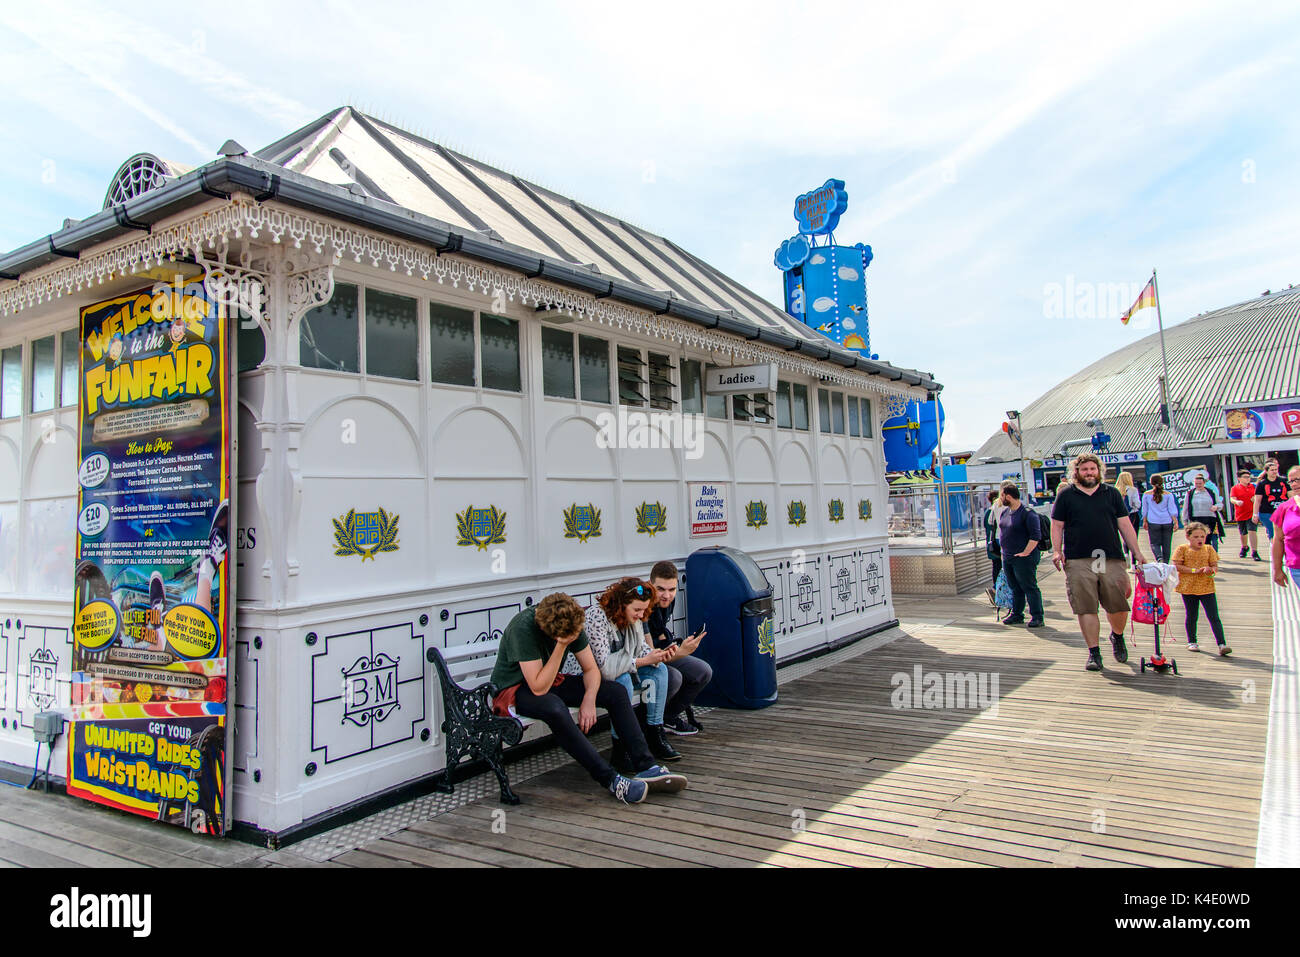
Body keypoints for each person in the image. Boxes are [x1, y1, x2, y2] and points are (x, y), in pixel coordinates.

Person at [489, 592, 686, 805]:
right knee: (555, 708)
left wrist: (589, 700)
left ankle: (645, 765)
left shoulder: (571, 620)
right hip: (514, 690)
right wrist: (562, 645)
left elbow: (591, 669)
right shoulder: (523, 628)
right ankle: (611, 780)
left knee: (615, 692)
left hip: (550, 679)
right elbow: (538, 688)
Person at [1051, 452, 1148, 671]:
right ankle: (1094, 652)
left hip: (1109, 556)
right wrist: (1057, 551)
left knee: (1118, 603)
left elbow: (1125, 525)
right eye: (1084, 469)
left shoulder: (1111, 494)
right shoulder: (1066, 495)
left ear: (1099, 471)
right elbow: (1057, 525)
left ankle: (1117, 635)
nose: (1089, 473)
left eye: (1092, 469)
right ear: (1076, 472)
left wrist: (1138, 553)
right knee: (1086, 607)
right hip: (1078, 558)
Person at [577, 577, 681, 766]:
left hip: (622, 668)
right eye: (637, 610)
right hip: (589, 678)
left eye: (644, 610)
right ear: (621, 604)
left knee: (659, 671)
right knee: (622, 680)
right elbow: (605, 667)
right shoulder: (596, 617)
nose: (641, 615)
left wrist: (658, 655)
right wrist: (644, 660)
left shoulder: (634, 616)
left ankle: (655, 733)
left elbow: (640, 648)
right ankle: (621, 747)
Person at [646, 561, 713, 736]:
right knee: (674, 677)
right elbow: (650, 657)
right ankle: (651, 726)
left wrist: (676, 647)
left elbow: (660, 635)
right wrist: (682, 651)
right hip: (642, 661)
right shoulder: (643, 606)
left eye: (672, 589)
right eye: (660, 589)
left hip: (659, 653)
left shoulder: (667, 602)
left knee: (703, 671)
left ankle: (669, 718)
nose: (667, 596)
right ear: (650, 584)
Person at [1172, 522, 1231, 656]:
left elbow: (1215, 566)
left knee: (1214, 616)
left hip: (1207, 587)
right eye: (1196, 537)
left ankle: (1222, 644)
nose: (1200, 539)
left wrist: (1210, 570)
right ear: (1188, 537)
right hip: (1188, 587)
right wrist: (1194, 570)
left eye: (1202, 537)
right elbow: (1177, 566)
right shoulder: (1182, 549)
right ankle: (1192, 641)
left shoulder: (1209, 549)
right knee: (1192, 615)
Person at [997, 482, 1045, 627]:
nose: (1001, 498)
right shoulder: (1006, 512)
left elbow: (1035, 536)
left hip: (1023, 557)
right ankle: (1017, 614)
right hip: (1008, 556)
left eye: (1002, 495)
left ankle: (1037, 616)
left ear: (1009, 496)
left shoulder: (1028, 513)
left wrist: (1026, 552)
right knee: (1014, 587)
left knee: (1029, 586)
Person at [1181, 472, 1225, 552]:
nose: (1198, 485)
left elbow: (1220, 504)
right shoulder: (1190, 493)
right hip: (1196, 519)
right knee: (1198, 539)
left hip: (1210, 518)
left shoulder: (1211, 492)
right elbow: (1186, 507)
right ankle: (1200, 555)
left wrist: (1216, 507)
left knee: (1208, 538)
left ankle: (1209, 555)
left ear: (1204, 483)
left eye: (1200, 483)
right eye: (1196, 483)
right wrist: (1185, 521)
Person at [1272, 465, 1300, 589]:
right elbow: (1278, 539)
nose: (1294, 484)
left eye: (1298, 479)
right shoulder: (1283, 508)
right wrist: (1277, 569)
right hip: (1297, 567)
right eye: (1291, 481)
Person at [1141, 474, 1178, 563]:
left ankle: (1159, 558)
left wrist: (1144, 520)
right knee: (1167, 544)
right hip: (1167, 521)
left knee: (1154, 543)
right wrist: (1175, 522)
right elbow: (1172, 509)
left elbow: (1144, 510)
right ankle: (1165, 563)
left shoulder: (1146, 495)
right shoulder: (1168, 495)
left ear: (1151, 483)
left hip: (1153, 521)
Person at [1230, 469, 1263, 561]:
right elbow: (1232, 499)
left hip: (1251, 513)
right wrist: (1237, 502)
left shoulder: (1253, 487)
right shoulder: (1235, 488)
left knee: (1252, 531)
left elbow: (1258, 496)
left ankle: (1254, 551)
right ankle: (1244, 547)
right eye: (1245, 477)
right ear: (1239, 478)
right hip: (1241, 513)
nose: (1247, 479)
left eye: (1248, 477)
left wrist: (1255, 499)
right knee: (1243, 533)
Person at [1255, 459, 1288, 548]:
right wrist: (1255, 514)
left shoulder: (1283, 481)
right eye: (1272, 470)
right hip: (1267, 512)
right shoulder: (1262, 483)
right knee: (1273, 532)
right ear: (1266, 471)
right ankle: (1274, 551)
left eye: (1275, 469)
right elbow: (1257, 500)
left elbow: (1290, 495)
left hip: (1282, 511)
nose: (1274, 472)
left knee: (1284, 532)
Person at [982, 489, 1005, 605]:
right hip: (998, 543)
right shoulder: (998, 510)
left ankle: (997, 589)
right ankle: (998, 590)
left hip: (992, 544)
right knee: (1002, 566)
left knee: (996, 566)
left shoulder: (989, 512)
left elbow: (987, 527)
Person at [1116, 471, 1142, 565]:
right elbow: (1137, 504)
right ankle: (1133, 563)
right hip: (1132, 515)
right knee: (1133, 536)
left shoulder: (1116, 490)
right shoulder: (1133, 490)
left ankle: (1125, 553)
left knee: (1123, 536)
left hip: (1119, 516)